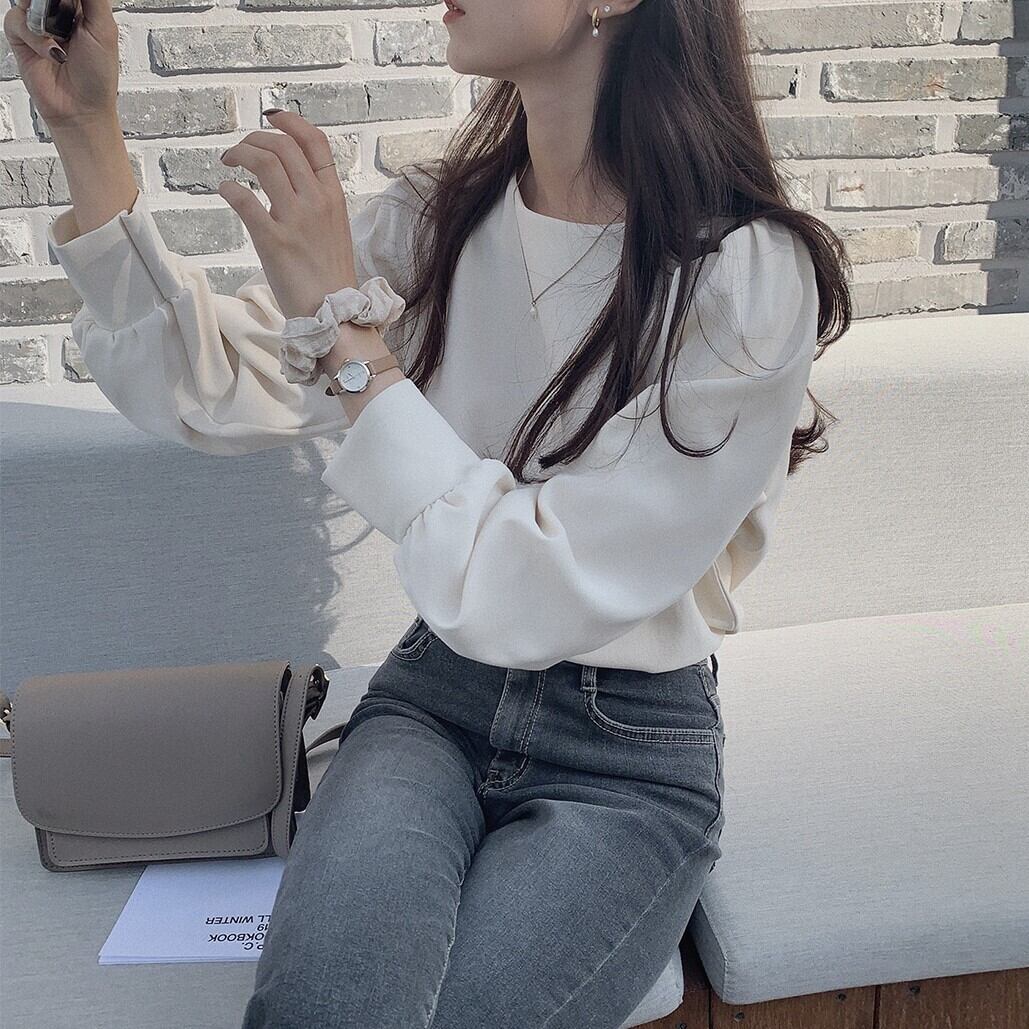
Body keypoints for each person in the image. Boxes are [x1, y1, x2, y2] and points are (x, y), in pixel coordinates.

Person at [6, 0, 851, 1026]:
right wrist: (86, 132)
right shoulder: (439, 217)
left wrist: (348, 339)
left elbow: (535, 587)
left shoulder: (743, 275)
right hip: (434, 700)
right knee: (326, 1007)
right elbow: (214, 383)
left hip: (627, 753)